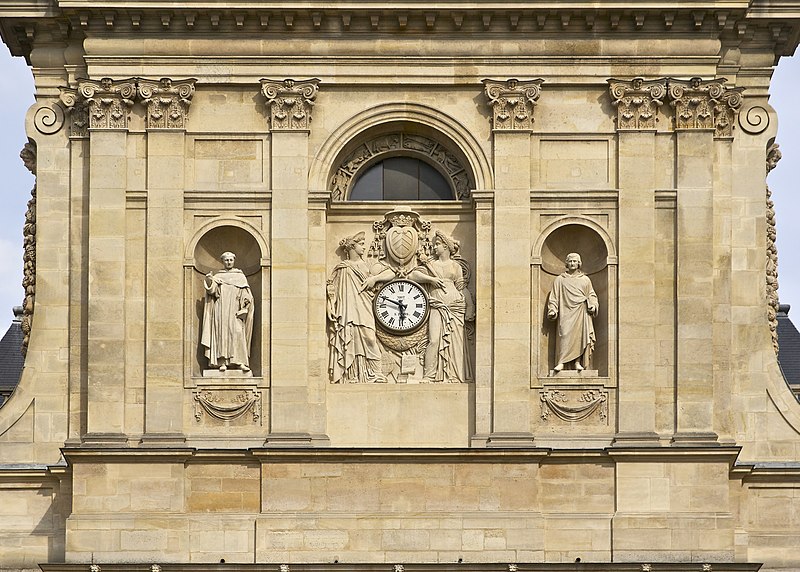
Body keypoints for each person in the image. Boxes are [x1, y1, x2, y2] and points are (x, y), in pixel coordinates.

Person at [409, 230, 474, 383]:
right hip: (437, 306)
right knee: (433, 339)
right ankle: (429, 375)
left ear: (445, 247)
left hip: (454, 306)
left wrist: (470, 306)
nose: (434, 248)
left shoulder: (455, 266)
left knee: (455, 341)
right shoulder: (431, 265)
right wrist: (431, 280)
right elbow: (413, 275)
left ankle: (455, 374)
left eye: (437, 244)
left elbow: (462, 288)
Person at [327, 232, 386, 383]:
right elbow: (332, 289)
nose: (365, 247)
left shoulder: (369, 265)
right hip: (347, 309)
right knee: (349, 337)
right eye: (362, 244)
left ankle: (375, 373)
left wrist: (375, 279)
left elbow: (392, 272)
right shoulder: (342, 268)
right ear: (353, 246)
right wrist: (330, 306)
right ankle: (352, 374)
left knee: (370, 337)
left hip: (365, 306)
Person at [201, 252, 254, 372]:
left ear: (234, 261)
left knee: (237, 332)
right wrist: (209, 280)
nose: (229, 262)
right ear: (223, 262)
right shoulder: (218, 276)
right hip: (221, 309)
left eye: (231, 260)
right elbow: (212, 291)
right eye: (226, 260)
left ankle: (240, 361)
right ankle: (222, 362)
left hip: (235, 311)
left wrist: (245, 303)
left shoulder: (240, 276)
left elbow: (246, 294)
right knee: (222, 334)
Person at [547, 252, 598, 372]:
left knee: (580, 337)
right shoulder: (560, 280)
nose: (572, 263)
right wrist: (553, 309)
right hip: (565, 313)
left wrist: (593, 305)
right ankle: (561, 362)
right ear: (566, 263)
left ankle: (577, 362)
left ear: (579, 263)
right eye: (570, 261)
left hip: (581, 311)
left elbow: (591, 295)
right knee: (564, 334)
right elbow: (554, 297)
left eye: (575, 261)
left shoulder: (585, 280)